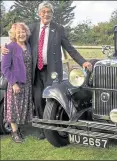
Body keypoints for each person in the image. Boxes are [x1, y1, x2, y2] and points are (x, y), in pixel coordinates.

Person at [1, 1, 92, 140]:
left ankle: (53, 128)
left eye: (49, 12)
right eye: (43, 12)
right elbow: (18, 40)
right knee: (37, 100)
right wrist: (4, 47)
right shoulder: (32, 28)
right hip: (35, 72)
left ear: (52, 14)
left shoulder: (59, 29)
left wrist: (83, 61)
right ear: (39, 13)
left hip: (52, 71)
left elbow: (70, 48)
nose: (46, 14)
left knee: (50, 98)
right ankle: (44, 130)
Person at [1, 23, 34, 143]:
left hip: (27, 82)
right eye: (18, 32)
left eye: (23, 31)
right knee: (13, 109)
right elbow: (5, 68)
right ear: (14, 34)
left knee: (21, 108)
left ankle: (19, 129)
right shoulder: (10, 47)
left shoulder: (28, 45)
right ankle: (14, 133)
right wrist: (13, 83)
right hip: (16, 83)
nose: (21, 34)